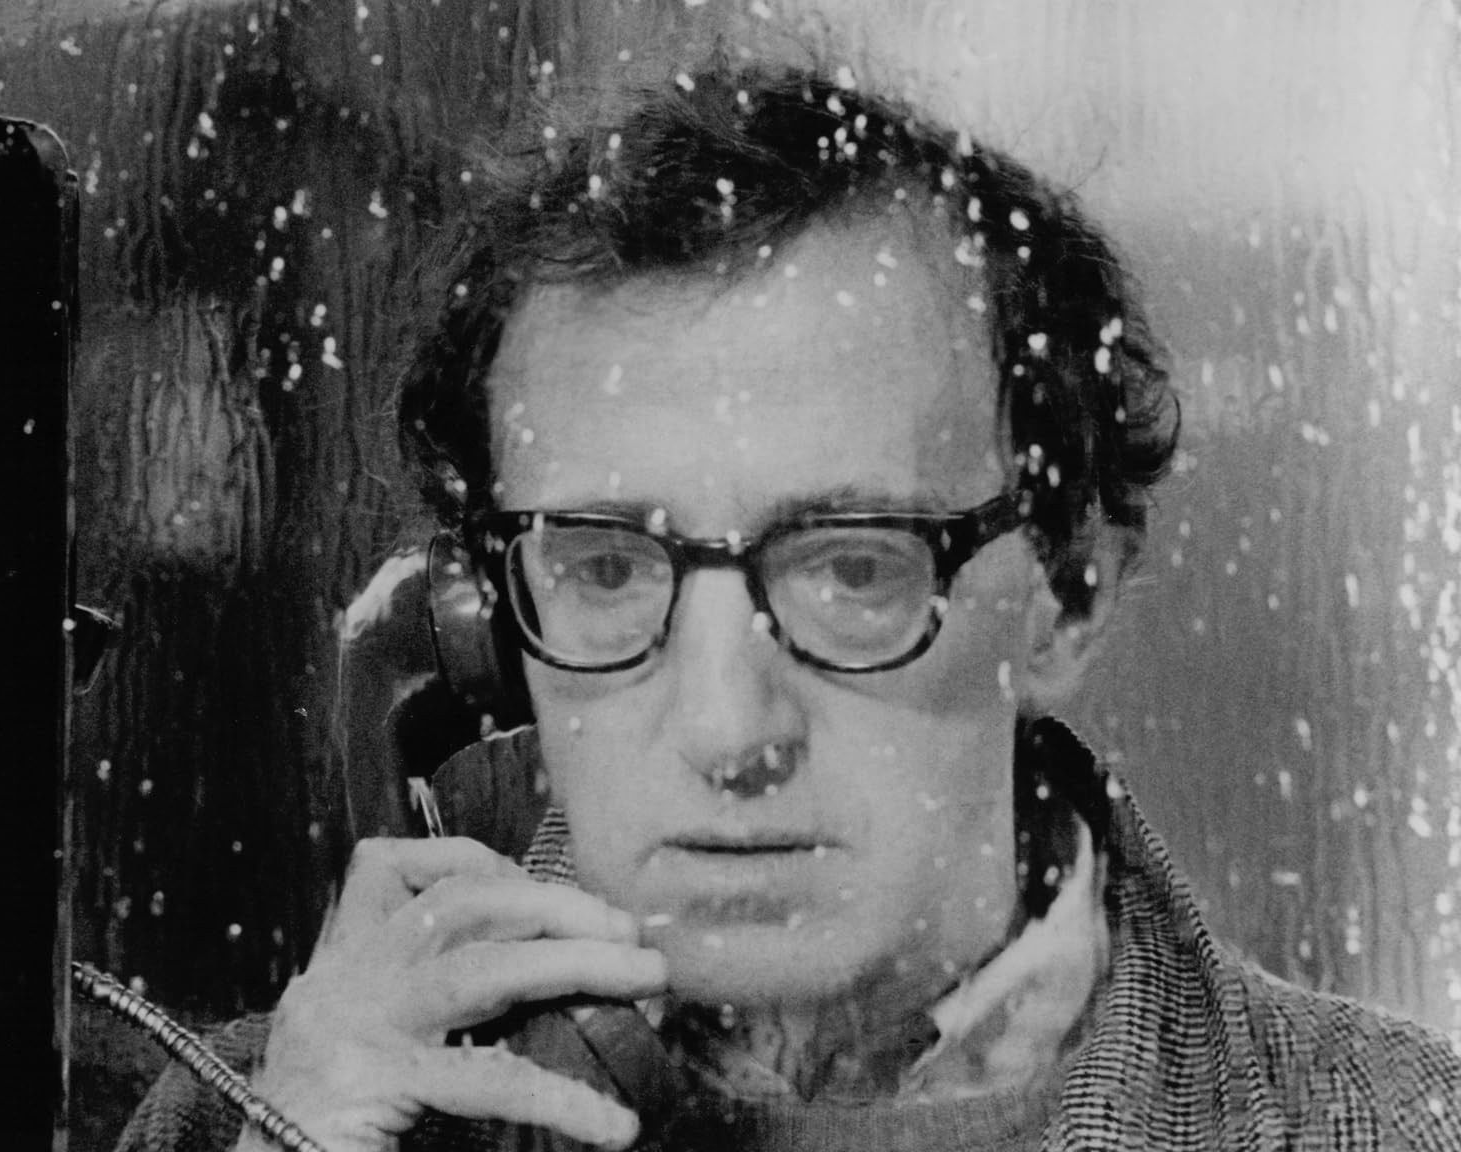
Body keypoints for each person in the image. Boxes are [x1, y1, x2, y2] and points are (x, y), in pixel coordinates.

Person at [116, 62, 1461, 1152]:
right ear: (481, 633)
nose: (728, 733)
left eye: (855, 569)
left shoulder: (1404, 1126)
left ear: (1068, 594)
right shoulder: (260, 1117)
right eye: (606, 570)